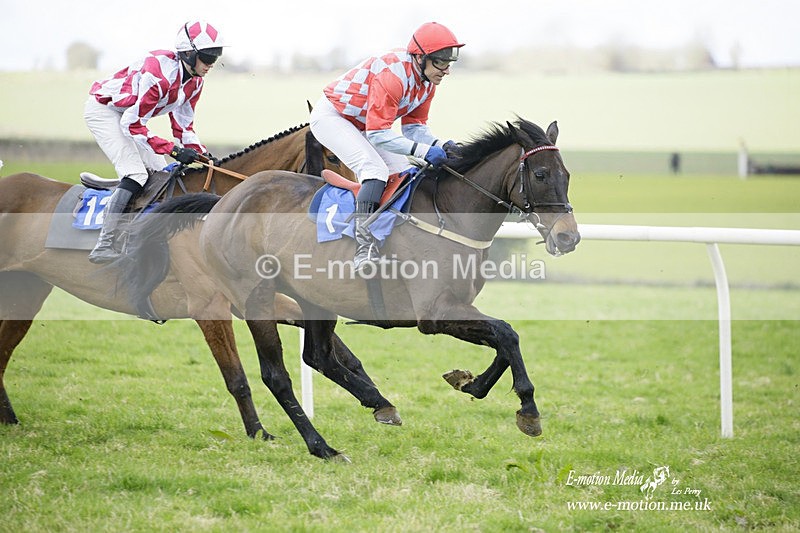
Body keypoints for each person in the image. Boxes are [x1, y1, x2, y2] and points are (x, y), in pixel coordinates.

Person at [310, 21, 464, 272]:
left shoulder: (427, 83)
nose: (446, 70)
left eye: (449, 63)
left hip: (366, 123)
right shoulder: (393, 77)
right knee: (375, 170)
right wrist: (424, 151)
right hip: (333, 117)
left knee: (404, 174)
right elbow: (378, 134)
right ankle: (363, 244)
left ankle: (393, 238)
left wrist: (442, 144)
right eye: (440, 62)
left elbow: (413, 128)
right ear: (420, 58)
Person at [84, 20, 226, 263]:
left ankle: (143, 236)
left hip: (129, 116)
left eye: (216, 56)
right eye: (207, 57)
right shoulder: (159, 77)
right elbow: (131, 125)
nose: (211, 64)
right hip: (105, 111)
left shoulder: (194, 82)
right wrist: (172, 149)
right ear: (189, 54)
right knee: (136, 174)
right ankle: (104, 243)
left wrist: (205, 157)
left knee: (163, 175)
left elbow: (183, 127)